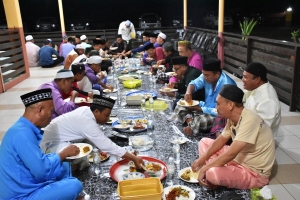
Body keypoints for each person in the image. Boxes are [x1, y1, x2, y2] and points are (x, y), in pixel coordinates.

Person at [0, 89, 82, 199]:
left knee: (65, 166)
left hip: (27, 185)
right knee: (75, 185)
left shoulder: (22, 128)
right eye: (52, 111)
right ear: (40, 110)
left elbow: (39, 160)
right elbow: (41, 170)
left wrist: (61, 157)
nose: (52, 116)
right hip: (21, 196)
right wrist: (62, 154)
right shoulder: (22, 134)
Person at [191, 85, 275, 189]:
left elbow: (231, 153)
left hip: (253, 172)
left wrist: (206, 167)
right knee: (204, 142)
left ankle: (214, 174)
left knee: (212, 174)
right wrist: (203, 159)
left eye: (218, 104)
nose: (216, 108)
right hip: (238, 158)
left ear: (230, 105)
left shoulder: (250, 120)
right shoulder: (232, 117)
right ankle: (217, 172)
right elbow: (221, 140)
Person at [40, 95, 144, 170]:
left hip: (59, 140)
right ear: (96, 112)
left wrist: (125, 153)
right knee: (80, 159)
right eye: (106, 115)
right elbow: (105, 145)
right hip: (50, 146)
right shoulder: (86, 121)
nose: (108, 119)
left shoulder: (86, 110)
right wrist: (134, 158)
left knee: (90, 147)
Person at [168, 58, 236, 135]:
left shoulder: (227, 85)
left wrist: (201, 109)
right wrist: (188, 92)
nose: (204, 77)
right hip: (204, 107)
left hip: (218, 114)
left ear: (217, 74)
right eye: (203, 74)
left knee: (203, 120)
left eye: (207, 75)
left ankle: (192, 124)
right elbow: (193, 84)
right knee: (180, 104)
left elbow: (224, 112)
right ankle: (192, 123)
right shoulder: (205, 76)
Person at [242, 62, 281, 138]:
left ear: (257, 79)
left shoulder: (267, 100)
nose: (242, 80)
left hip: (258, 141)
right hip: (247, 129)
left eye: (245, 77)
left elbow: (260, 129)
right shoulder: (254, 87)